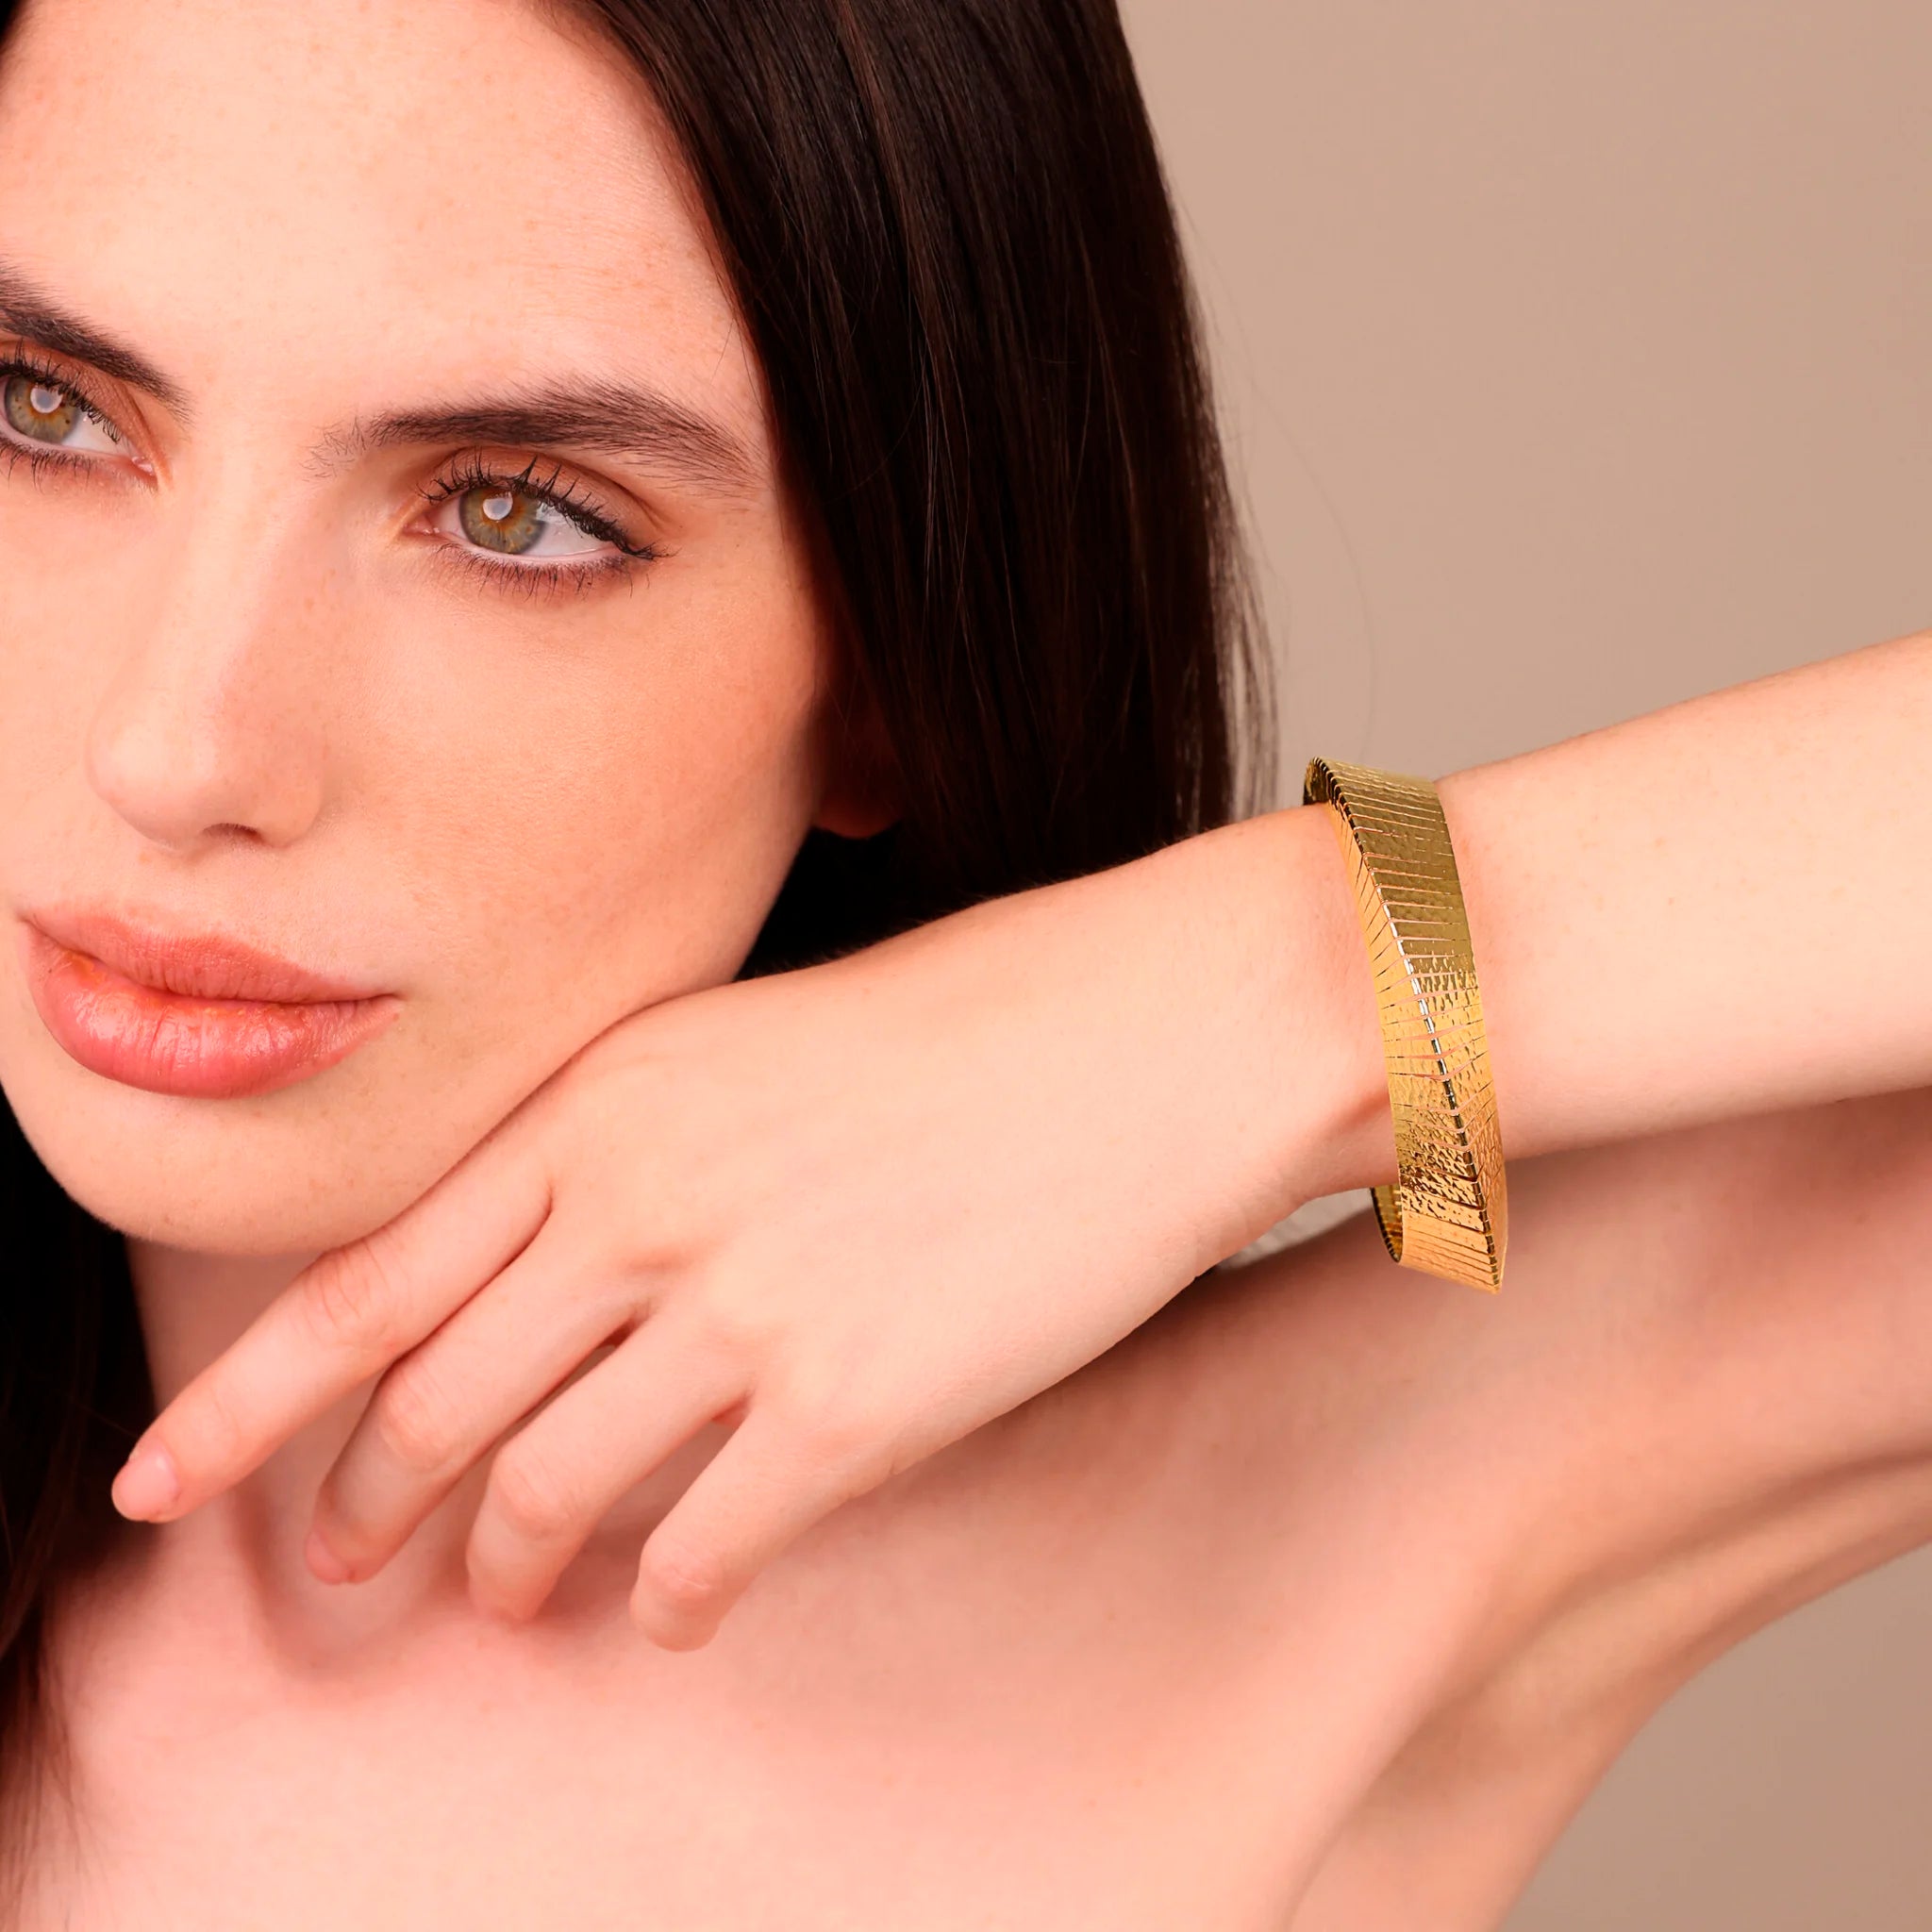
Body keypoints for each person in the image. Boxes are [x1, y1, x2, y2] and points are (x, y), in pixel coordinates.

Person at [1, 0, 1929, 1923]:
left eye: (517, 515)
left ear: (886, 680)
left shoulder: (1310, 1531)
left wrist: (1285, 993)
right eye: (41, 407)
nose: (175, 753)